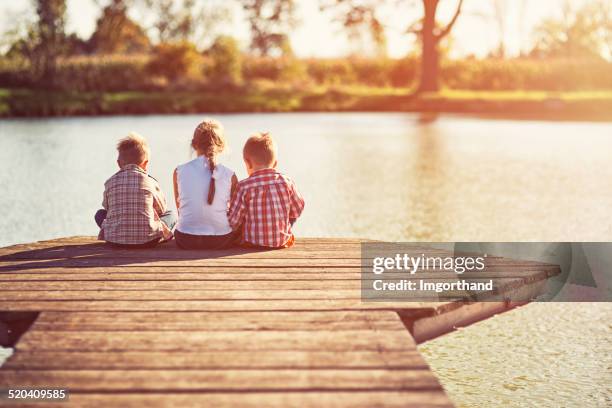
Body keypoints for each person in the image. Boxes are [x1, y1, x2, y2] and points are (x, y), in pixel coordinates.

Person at [95, 133, 176, 248]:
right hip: (148, 241)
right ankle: (165, 235)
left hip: (115, 240)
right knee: (170, 214)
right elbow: (161, 210)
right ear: (146, 163)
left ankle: (117, 234)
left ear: (118, 163)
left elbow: (108, 209)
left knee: (99, 214)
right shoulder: (150, 182)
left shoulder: (110, 182)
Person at [228, 132, 305, 248]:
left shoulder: (244, 186)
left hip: (252, 244)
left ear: (248, 163)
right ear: (275, 164)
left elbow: (233, 222)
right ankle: (279, 233)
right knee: (289, 211)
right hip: (282, 243)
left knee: (241, 215)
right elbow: (298, 209)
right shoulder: (286, 182)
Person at [173, 119, 239, 249]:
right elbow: (234, 214)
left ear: (193, 144)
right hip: (221, 241)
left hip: (185, 240)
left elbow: (180, 210)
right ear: (222, 146)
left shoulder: (179, 171)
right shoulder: (230, 175)